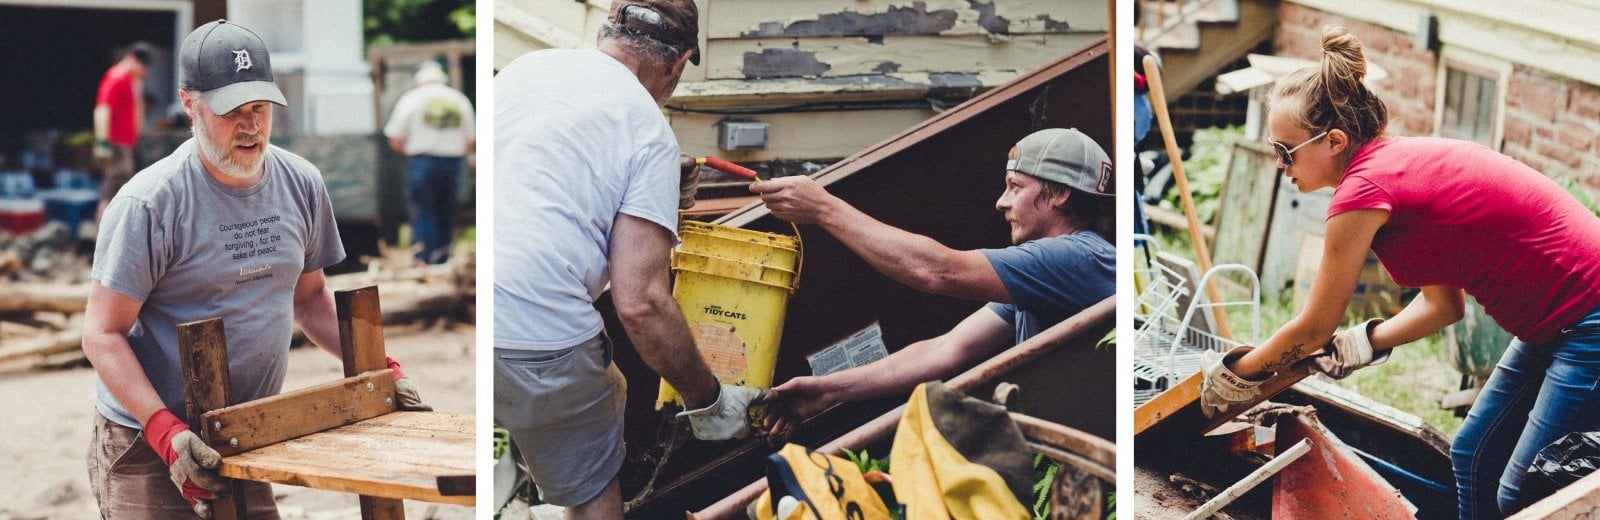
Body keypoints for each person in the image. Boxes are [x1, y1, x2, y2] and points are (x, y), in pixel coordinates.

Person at [1196, 26, 1600, 518]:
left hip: (1587, 319)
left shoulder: (1363, 191)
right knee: (1472, 454)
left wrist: (1235, 376)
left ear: (1334, 141)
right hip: (1554, 318)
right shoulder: (1395, 170)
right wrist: (1366, 342)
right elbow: (1442, 306)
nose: (1281, 166)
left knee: (1528, 490)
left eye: (1285, 151)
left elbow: (1315, 326)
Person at [81, 20, 428, 519]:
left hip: (248, 431)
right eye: (231, 111)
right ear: (189, 104)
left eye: (260, 109)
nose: (250, 126)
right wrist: (164, 431)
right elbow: (101, 332)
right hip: (147, 440)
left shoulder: (301, 184)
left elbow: (309, 300)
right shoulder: (150, 204)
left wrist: (385, 370)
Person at [492, 1, 762, 517]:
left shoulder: (526, 69)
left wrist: (655, 196)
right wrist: (708, 400)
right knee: (595, 497)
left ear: (603, 33)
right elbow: (641, 304)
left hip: (480, 321)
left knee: (595, 395)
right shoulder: (648, 130)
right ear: (679, 64)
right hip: (535, 336)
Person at [751, 128, 1116, 442]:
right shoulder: (1051, 275)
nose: (1001, 202)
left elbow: (936, 272)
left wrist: (824, 209)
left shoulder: (1075, 258)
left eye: (1015, 187)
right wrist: (825, 391)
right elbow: (946, 348)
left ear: (1059, 195)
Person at [383, 60, 475, 267]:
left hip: (422, 162)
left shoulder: (411, 100)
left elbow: (394, 138)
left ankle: (423, 258)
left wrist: (410, 152)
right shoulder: (458, 100)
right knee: (445, 210)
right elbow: (471, 138)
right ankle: (442, 257)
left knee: (423, 209)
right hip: (452, 163)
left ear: (418, 81)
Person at [94, 41, 153, 218]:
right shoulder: (116, 77)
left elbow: (136, 110)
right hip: (116, 144)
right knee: (113, 193)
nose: (146, 71)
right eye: (144, 66)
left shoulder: (131, 80)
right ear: (132, 58)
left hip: (127, 144)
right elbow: (102, 110)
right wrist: (102, 143)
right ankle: (103, 239)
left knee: (120, 192)